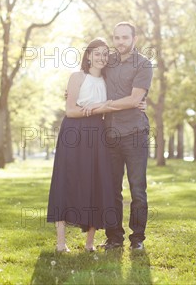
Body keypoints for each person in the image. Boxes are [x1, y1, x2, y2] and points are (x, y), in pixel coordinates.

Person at [85, 22, 153, 251]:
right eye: (117, 38)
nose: (120, 42)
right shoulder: (109, 61)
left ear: (134, 38)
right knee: (112, 188)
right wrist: (74, 91)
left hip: (135, 134)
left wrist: (105, 105)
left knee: (137, 189)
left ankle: (138, 239)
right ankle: (114, 237)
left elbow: (135, 100)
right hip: (110, 135)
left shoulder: (143, 64)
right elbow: (89, 73)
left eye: (125, 37)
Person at [46, 38, 116, 252]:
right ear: (88, 55)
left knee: (95, 181)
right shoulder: (77, 77)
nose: (101, 57)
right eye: (97, 53)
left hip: (97, 133)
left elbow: (117, 103)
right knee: (66, 179)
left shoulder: (108, 80)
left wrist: (139, 102)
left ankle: (89, 244)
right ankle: (60, 243)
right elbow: (71, 110)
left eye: (105, 54)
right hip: (74, 131)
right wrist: (98, 107)